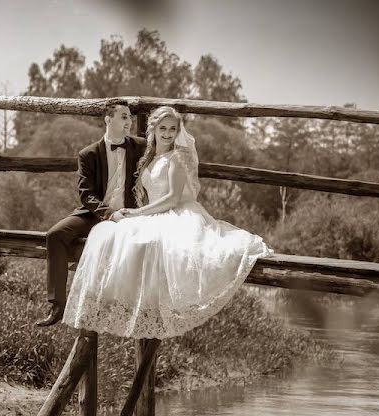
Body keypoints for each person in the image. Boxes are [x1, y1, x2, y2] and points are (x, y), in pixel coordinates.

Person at [61, 105, 272, 339]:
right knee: (110, 234)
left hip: (176, 213)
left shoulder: (177, 157)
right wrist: (138, 212)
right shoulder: (149, 156)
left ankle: (153, 305)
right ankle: (114, 302)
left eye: (173, 129)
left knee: (156, 245)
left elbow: (172, 198)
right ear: (153, 129)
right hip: (154, 213)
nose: (168, 133)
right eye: (163, 128)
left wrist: (139, 213)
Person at [35, 100, 148, 327]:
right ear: (108, 120)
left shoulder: (141, 147)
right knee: (55, 235)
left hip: (131, 214)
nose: (129, 122)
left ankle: (130, 308)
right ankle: (58, 304)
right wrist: (110, 214)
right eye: (124, 117)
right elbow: (86, 195)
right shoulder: (88, 154)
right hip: (95, 213)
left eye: (130, 117)